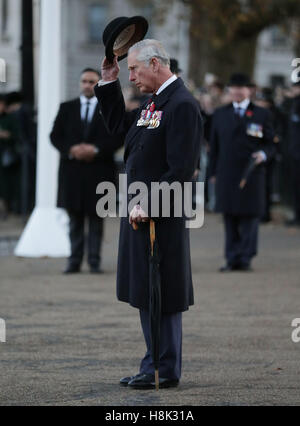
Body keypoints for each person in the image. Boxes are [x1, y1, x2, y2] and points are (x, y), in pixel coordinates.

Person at [94, 39, 202, 389]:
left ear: (155, 64)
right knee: (146, 289)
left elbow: (183, 166)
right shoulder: (156, 102)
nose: (132, 77)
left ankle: (163, 369)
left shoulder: (182, 104)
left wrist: (150, 204)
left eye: (134, 70)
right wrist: (108, 83)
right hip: (142, 210)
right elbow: (118, 130)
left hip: (161, 214)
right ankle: (153, 361)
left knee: (162, 291)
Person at [50, 68, 123, 274]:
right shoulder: (66, 108)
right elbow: (55, 136)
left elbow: (117, 136)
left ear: (98, 84)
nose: (87, 85)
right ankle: (74, 261)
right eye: (84, 81)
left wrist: (96, 150)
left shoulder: (108, 108)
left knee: (96, 219)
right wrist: (72, 150)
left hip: (99, 172)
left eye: (92, 81)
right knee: (74, 220)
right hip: (72, 172)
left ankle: (94, 261)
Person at [208, 73, 275, 272]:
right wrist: (212, 172)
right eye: (234, 87)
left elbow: (271, 143)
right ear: (229, 90)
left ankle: (245, 257)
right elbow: (214, 146)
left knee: (249, 217)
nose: (237, 91)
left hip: (251, 173)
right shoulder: (220, 114)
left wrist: (263, 153)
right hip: (226, 173)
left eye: (242, 87)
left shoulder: (262, 114)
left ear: (250, 90)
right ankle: (231, 257)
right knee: (230, 217)